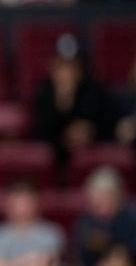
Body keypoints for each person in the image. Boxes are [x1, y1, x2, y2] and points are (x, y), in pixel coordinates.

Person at [32, 33, 112, 169]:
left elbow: (108, 126)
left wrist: (89, 131)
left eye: (72, 66)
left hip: (92, 161)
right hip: (55, 161)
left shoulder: (95, 90)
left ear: (81, 69)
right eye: (62, 66)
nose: (67, 72)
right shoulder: (44, 92)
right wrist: (62, 103)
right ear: (53, 67)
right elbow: (40, 134)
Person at [72, 166, 136, 266]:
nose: (97, 205)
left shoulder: (131, 219)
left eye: (102, 199)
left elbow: (129, 253)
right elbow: (81, 258)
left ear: (117, 196)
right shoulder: (86, 222)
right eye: (94, 200)